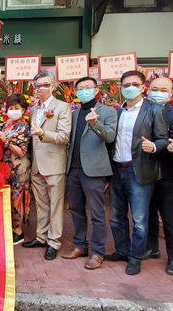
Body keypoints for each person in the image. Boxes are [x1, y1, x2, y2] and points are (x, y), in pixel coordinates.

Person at [104, 70, 169, 276]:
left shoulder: (154, 110)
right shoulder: (117, 112)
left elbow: (163, 138)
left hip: (139, 170)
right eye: (125, 85)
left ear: (143, 88)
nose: (129, 88)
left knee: (139, 219)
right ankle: (122, 250)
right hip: (117, 168)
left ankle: (136, 257)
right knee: (116, 216)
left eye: (134, 84)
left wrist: (155, 146)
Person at [62, 77, 117, 270]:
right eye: (80, 88)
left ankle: (98, 252)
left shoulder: (108, 112)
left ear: (95, 90)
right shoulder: (75, 114)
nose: (83, 91)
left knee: (97, 213)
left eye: (87, 88)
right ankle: (80, 245)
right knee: (75, 210)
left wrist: (95, 124)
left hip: (94, 170)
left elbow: (110, 137)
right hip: (74, 169)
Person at [22, 71, 72, 261]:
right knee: (41, 205)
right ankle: (41, 237)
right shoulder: (34, 109)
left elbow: (64, 136)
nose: (41, 89)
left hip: (54, 163)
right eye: (38, 86)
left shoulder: (63, 107)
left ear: (53, 86)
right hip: (37, 165)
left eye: (45, 85)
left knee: (56, 205)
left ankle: (54, 241)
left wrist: (43, 134)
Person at [144, 77, 173, 276]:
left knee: (170, 216)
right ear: (147, 90)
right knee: (147, 212)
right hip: (143, 170)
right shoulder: (140, 109)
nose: (158, 92)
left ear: (171, 94)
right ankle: (151, 247)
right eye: (154, 88)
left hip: (165, 172)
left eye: (163, 89)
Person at [0, 93, 33, 246]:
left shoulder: (24, 127)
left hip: (20, 168)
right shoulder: (7, 124)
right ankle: (9, 226)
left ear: (23, 109)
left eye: (16, 108)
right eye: (10, 108)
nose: (13, 111)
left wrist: (7, 141)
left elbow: (22, 151)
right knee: (6, 197)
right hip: (6, 166)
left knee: (17, 198)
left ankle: (18, 231)